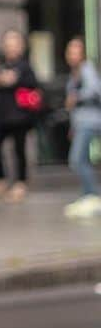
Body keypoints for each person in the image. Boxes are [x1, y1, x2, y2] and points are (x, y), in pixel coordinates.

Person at [0, 28, 41, 202]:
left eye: (14, 44)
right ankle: (0, 180)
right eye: (8, 44)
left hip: (20, 116)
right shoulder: (0, 64)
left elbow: (11, 80)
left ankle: (21, 182)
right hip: (1, 114)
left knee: (19, 150)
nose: (11, 48)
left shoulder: (24, 66)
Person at [63, 36, 101, 217]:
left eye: (76, 50)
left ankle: (92, 195)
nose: (73, 55)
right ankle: (89, 195)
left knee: (77, 159)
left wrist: (76, 96)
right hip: (81, 123)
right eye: (70, 51)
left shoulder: (87, 69)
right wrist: (72, 127)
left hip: (92, 121)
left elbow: (95, 89)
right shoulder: (73, 74)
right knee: (80, 159)